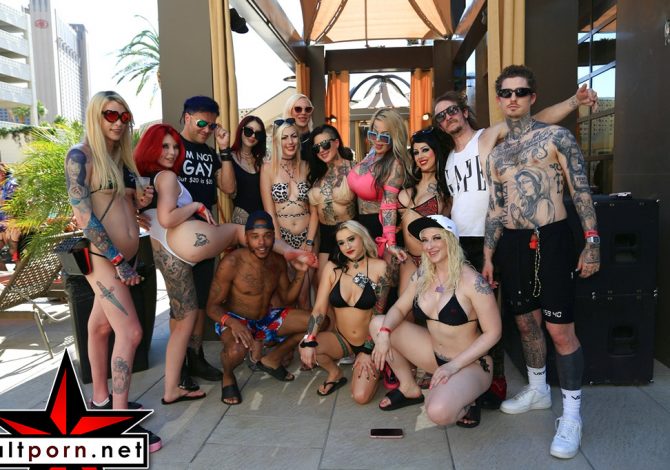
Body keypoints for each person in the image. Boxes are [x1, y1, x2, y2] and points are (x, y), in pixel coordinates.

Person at [434, 84, 599, 408]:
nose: (448, 117)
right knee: (473, 315)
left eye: (452, 110)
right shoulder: (450, 158)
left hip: (497, 236)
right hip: (463, 242)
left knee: (492, 317)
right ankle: (473, 382)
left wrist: (574, 101)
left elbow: (536, 118)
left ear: (464, 112)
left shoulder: (487, 138)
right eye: (440, 116)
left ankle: (494, 384)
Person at [134, 124, 316, 405]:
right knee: (237, 231)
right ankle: (290, 251)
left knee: (183, 323)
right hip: (186, 243)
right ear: (150, 148)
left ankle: (171, 388)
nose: (171, 152)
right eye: (164, 147)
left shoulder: (146, 181)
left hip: (166, 253)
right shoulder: (167, 176)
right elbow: (169, 218)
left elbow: (154, 216)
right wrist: (196, 206)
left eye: (174, 147)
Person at [482, 65, 600, 459]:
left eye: (521, 92)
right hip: (513, 243)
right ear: (499, 100)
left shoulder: (555, 137)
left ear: (532, 97)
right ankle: (537, 390)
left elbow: (580, 191)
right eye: (506, 93)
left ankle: (572, 416)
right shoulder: (497, 154)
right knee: (525, 322)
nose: (513, 98)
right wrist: (488, 254)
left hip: (551, 238)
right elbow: (496, 208)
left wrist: (592, 241)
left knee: (559, 330)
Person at [64, 91, 161, 452]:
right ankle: (117, 424)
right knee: (131, 332)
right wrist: (118, 260)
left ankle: (101, 401)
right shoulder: (80, 156)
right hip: (104, 258)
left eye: (124, 116)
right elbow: (84, 216)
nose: (118, 122)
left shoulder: (120, 158)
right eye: (110, 114)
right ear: (96, 115)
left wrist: (139, 204)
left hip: (125, 258)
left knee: (100, 326)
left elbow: (125, 205)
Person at [369, 215, 501, 428]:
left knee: (438, 413)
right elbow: (399, 308)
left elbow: (493, 333)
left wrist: (453, 366)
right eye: (425, 240)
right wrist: (384, 334)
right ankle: (409, 387)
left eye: (437, 238)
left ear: (451, 240)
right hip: (434, 356)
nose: (429, 246)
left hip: (470, 364)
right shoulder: (422, 275)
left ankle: (471, 398)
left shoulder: (473, 282)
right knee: (378, 324)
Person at [205, 211, 313, 405]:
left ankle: (272, 359)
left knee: (316, 322)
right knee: (236, 350)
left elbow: (287, 298)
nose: (261, 243)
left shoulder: (277, 261)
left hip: (265, 319)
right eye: (255, 237)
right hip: (235, 319)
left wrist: (300, 273)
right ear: (246, 238)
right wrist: (233, 323)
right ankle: (228, 376)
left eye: (267, 236)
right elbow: (211, 307)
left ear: (273, 237)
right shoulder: (231, 262)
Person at [299, 221, 391, 401]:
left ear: (362, 238)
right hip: (343, 340)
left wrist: (367, 350)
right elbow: (319, 309)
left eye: (351, 239)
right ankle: (335, 373)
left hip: (370, 342)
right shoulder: (332, 268)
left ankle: (379, 364)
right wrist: (309, 339)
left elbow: (379, 312)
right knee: (305, 346)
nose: (347, 246)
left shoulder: (381, 267)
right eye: (341, 243)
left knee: (360, 397)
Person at [176, 95, 231, 390]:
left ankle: (195, 357)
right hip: (175, 234)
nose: (207, 130)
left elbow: (228, 187)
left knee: (198, 299)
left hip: (205, 234)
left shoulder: (210, 153)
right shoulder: (171, 146)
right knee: (180, 302)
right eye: (202, 123)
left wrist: (223, 149)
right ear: (187, 117)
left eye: (212, 126)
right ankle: (179, 365)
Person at [261, 118, 316, 308]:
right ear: (276, 141)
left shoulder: (306, 166)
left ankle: (308, 329)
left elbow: (314, 209)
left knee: (304, 296)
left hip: (307, 238)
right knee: (287, 297)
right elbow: (269, 211)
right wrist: (281, 245)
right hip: (281, 239)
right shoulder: (268, 169)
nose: (290, 141)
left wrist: (309, 241)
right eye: (284, 138)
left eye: (293, 136)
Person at [347, 108, 410, 262]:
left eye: (385, 136)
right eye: (373, 134)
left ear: (395, 137)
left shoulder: (395, 163)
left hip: (378, 228)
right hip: (361, 225)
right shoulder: (372, 154)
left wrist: (390, 242)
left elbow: (389, 203)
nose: (378, 140)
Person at [398, 127, 451, 292]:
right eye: (416, 152)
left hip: (433, 259)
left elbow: (450, 230)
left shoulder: (446, 190)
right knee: (404, 305)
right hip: (407, 258)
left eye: (425, 150)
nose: (420, 156)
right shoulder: (406, 185)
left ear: (436, 151)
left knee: (431, 305)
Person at [307, 124, 357, 283]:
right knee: (322, 283)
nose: (321, 150)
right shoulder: (316, 174)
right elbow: (314, 213)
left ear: (336, 142)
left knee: (351, 284)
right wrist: (309, 242)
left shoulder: (354, 169)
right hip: (326, 237)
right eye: (316, 148)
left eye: (325, 144)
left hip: (350, 234)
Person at [220, 115, 267, 224]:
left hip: (264, 222)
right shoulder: (227, 159)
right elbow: (228, 189)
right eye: (248, 131)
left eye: (258, 134)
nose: (253, 136)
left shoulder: (263, 161)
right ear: (240, 131)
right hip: (242, 223)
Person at [282, 93, 314, 160]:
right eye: (298, 109)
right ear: (289, 111)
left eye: (308, 109)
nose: (303, 112)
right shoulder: (280, 141)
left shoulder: (316, 140)